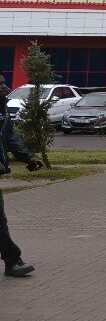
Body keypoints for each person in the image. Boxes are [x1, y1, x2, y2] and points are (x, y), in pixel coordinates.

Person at [1, 92, 45, 277]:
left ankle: (12, 261)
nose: (5, 87)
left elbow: (10, 138)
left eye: (3, 82)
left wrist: (28, 158)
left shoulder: (3, 110)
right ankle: (12, 261)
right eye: (0, 83)